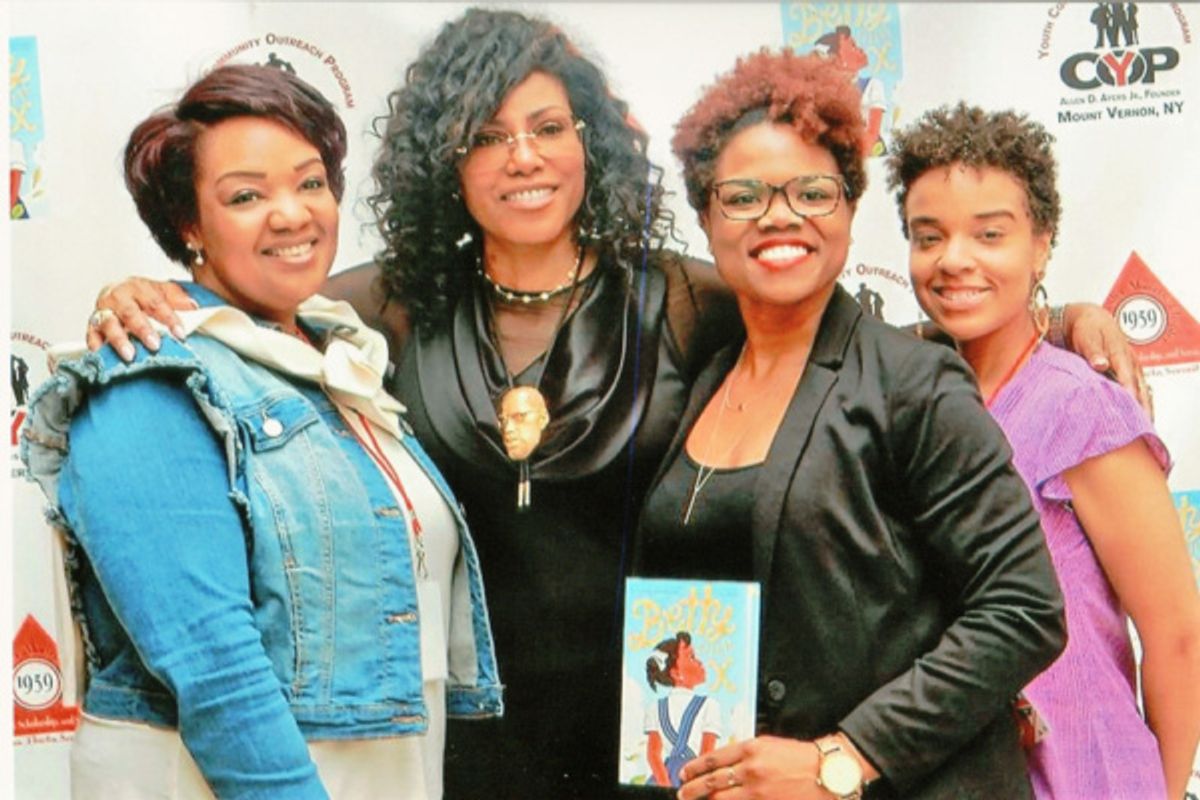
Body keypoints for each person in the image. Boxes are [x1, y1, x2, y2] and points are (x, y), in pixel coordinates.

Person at [81, 7, 1141, 796]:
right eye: (486, 134)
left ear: (591, 138)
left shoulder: (684, 298)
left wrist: (1063, 322)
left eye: (549, 126)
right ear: (447, 159)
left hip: (665, 741)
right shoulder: (387, 308)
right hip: (464, 749)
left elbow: (834, 337)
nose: (524, 157)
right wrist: (146, 297)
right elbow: (253, 305)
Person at [19, 64, 501, 800]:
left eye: (311, 182)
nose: (291, 214)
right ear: (189, 225)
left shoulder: (340, 360)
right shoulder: (147, 379)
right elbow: (212, 665)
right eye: (246, 196)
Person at [634, 49, 1067, 800]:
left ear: (849, 210)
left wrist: (843, 758)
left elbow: (1024, 609)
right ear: (705, 218)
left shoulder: (913, 382)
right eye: (743, 196)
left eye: (812, 192)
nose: (780, 215)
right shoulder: (706, 379)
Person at [887, 102, 1200, 800]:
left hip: (1086, 777)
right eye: (928, 236)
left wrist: (1164, 791)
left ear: (1041, 244)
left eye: (989, 234)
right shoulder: (905, 396)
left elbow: (1177, 638)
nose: (954, 259)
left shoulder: (1082, 407)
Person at [643, 632, 721, 788]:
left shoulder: (655, 708)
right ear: (676, 673)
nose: (700, 662)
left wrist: (666, 786)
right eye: (692, 657)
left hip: (667, 777)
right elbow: (706, 756)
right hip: (691, 777)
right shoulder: (709, 705)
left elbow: (653, 755)